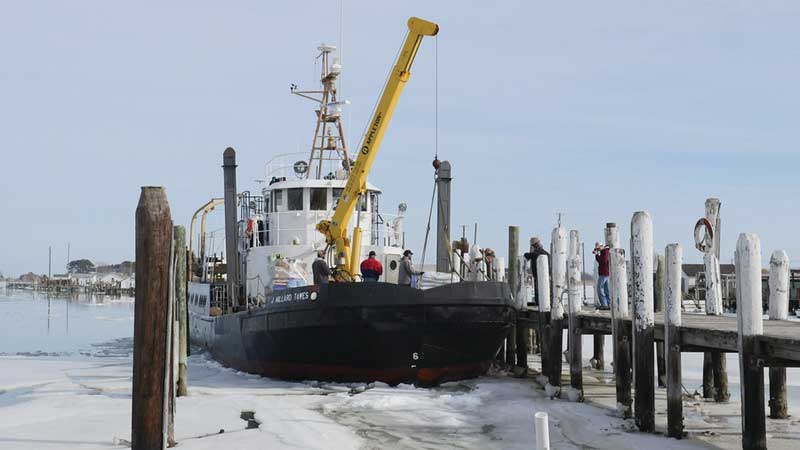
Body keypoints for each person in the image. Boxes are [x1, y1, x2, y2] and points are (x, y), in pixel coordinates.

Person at [523, 237, 550, 307]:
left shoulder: (538, 253)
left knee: (538, 289)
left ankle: (539, 303)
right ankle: (538, 302)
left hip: (540, 275)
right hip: (540, 274)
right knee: (539, 289)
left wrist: (528, 253)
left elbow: (528, 255)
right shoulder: (543, 252)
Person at [594, 242, 610, 309]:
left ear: (601, 246)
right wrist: (597, 255)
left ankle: (604, 304)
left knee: (599, 289)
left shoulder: (605, 252)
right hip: (605, 273)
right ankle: (609, 303)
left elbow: (603, 261)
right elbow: (600, 261)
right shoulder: (604, 252)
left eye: (598, 248)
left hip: (604, 273)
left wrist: (597, 254)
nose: (598, 249)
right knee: (606, 289)